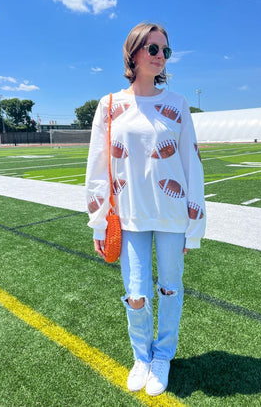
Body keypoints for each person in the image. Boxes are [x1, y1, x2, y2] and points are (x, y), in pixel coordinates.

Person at [85, 22, 205, 396]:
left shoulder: (178, 104)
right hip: (130, 215)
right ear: (133, 52)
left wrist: (193, 223)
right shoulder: (109, 105)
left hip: (170, 216)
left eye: (164, 51)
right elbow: (97, 166)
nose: (159, 56)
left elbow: (191, 164)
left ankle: (162, 356)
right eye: (152, 48)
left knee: (170, 289)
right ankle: (141, 356)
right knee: (136, 294)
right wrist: (99, 223)